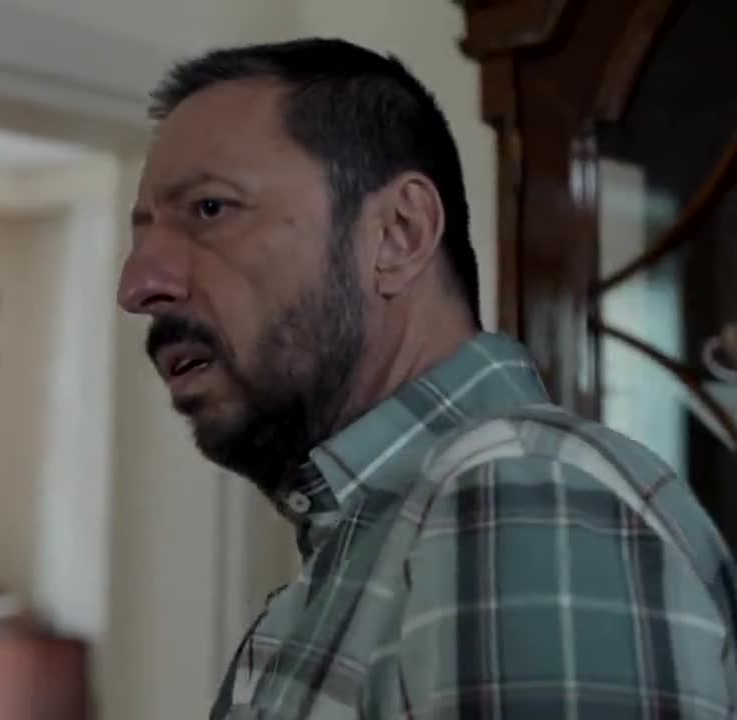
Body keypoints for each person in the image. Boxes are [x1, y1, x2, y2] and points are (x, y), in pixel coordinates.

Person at [118, 38, 737, 719]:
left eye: (210, 209)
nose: (139, 284)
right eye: (141, 235)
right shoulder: (372, 543)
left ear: (399, 234)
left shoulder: (523, 495)